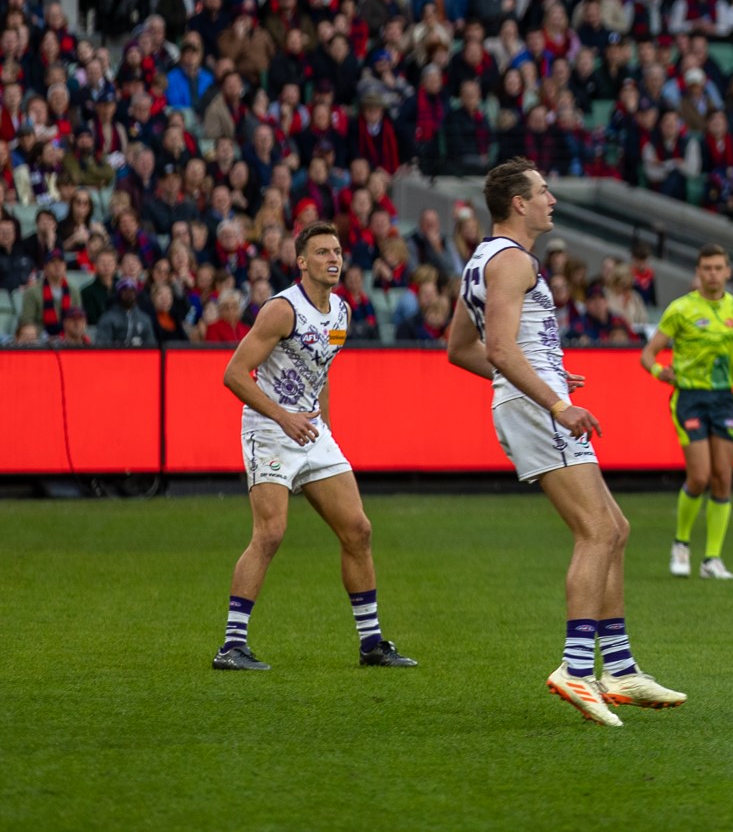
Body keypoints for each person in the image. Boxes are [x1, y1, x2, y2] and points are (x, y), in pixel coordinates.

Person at [447, 159, 683, 725]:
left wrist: (548, 376)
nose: (551, 199)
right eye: (543, 191)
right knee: (596, 531)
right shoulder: (512, 260)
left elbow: (460, 348)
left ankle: (619, 668)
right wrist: (555, 401)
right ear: (518, 203)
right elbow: (500, 349)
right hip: (539, 413)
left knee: (615, 529)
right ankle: (576, 668)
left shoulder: (482, 260)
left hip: (532, 402)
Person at [212, 220, 417, 671]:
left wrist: (325, 429)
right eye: (323, 252)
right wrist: (283, 417)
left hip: (310, 430)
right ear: (301, 262)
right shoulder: (282, 310)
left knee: (358, 530)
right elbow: (233, 374)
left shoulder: (341, 312)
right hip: (270, 429)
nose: (333, 259)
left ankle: (371, 644)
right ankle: (231, 646)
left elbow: (321, 372)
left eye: (337, 251)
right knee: (270, 533)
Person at [643, 244, 733, 580]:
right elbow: (648, 354)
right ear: (698, 272)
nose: (712, 274)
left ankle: (712, 559)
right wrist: (659, 371)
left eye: (718, 268)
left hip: (723, 399)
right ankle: (681, 544)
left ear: (728, 272)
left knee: (723, 477)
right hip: (690, 397)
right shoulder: (681, 309)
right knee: (700, 476)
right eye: (706, 268)